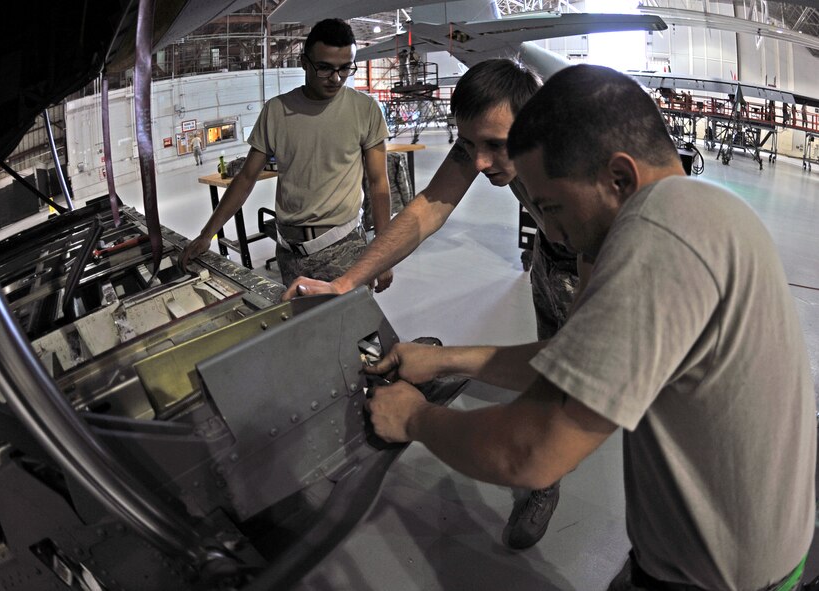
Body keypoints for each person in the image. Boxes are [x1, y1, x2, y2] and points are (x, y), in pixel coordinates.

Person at [364, 65, 815, 590]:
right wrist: (444, 358)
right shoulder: (703, 212)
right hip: (712, 555)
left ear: (618, 178)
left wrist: (416, 418)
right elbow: (571, 361)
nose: (552, 232)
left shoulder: (658, 240)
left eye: (552, 208)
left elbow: (530, 452)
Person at [283, 59, 585, 550]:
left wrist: (436, 386)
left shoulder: (578, 170)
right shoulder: (486, 145)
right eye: (470, 145)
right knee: (547, 369)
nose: (480, 162)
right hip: (550, 261)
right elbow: (430, 207)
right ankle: (542, 484)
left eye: (495, 146)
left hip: (591, 267)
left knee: (569, 384)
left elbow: (581, 365)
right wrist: (347, 282)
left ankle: (540, 476)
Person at [180, 18, 393, 289]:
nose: (336, 78)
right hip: (288, 252)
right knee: (303, 328)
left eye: (344, 68)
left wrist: (384, 252)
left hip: (344, 248)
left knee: (354, 329)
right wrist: (206, 234)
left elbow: (378, 183)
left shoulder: (365, 109)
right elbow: (246, 178)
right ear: (304, 63)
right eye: (325, 68)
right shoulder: (277, 111)